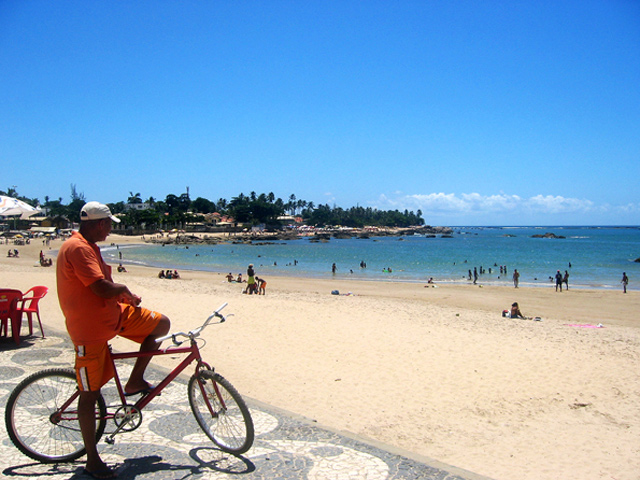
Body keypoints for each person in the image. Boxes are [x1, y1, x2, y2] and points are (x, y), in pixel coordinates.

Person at [56, 201, 170, 479]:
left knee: (161, 325)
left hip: (113, 315)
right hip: (90, 329)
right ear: (98, 223)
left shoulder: (89, 245)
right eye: (109, 225)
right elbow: (100, 287)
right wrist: (123, 289)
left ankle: (134, 381)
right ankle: (92, 461)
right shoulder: (78, 248)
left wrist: (123, 298)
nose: (110, 230)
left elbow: (100, 289)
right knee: (90, 394)